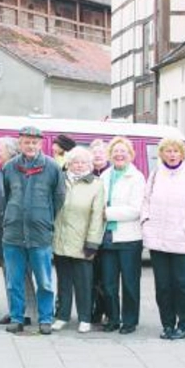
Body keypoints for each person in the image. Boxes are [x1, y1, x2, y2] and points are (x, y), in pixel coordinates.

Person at [142, 136, 185, 340]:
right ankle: (167, 324)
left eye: (176, 151)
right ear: (161, 154)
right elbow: (145, 201)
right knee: (163, 286)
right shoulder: (155, 174)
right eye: (168, 151)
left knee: (183, 285)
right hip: (158, 240)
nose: (172, 155)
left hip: (181, 240)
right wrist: (146, 222)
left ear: (182, 154)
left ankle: (184, 324)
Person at [1, 126, 65, 335]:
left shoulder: (52, 168)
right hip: (13, 234)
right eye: (26, 142)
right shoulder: (9, 167)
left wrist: (44, 217)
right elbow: (5, 195)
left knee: (45, 282)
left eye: (34, 142)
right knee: (14, 281)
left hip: (40, 234)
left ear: (40, 144)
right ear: (20, 144)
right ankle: (17, 317)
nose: (30, 146)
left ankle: (45, 319)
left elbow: (59, 198)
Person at [51, 147, 105, 333]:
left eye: (83, 162)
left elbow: (97, 216)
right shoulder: (60, 181)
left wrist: (92, 242)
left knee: (84, 283)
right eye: (75, 162)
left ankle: (85, 318)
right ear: (69, 164)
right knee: (63, 282)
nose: (79, 165)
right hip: (61, 240)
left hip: (83, 243)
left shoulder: (96, 184)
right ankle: (62, 316)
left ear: (89, 165)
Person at [99, 136, 145, 334]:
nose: (119, 155)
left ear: (130, 155)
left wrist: (106, 213)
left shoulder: (137, 177)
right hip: (107, 238)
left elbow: (135, 209)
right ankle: (113, 318)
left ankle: (130, 321)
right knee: (108, 284)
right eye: (115, 151)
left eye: (123, 152)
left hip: (129, 239)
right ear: (110, 155)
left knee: (129, 283)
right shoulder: (105, 176)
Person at [0, 137, 37, 326]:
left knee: (22, 274)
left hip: (17, 231)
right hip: (4, 230)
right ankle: (15, 311)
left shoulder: (17, 171)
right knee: (10, 274)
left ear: (11, 152)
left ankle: (27, 313)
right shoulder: (4, 170)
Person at [88, 138, 109, 324]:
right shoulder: (87, 174)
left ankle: (105, 310)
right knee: (91, 277)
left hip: (108, 233)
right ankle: (93, 310)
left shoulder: (111, 174)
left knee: (105, 278)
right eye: (94, 153)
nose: (98, 155)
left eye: (101, 152)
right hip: (88, 233)